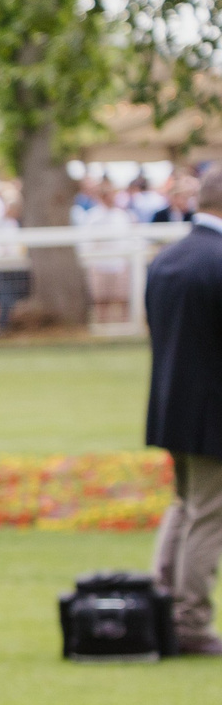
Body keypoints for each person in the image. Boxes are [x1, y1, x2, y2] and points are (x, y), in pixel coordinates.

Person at [145, 171, 222, 655]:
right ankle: (191, 621)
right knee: (210, 514)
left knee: (185, 505)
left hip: (172, 402)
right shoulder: (217, 261)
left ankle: (161, 602)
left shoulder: (167, 260)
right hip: (215, 408)